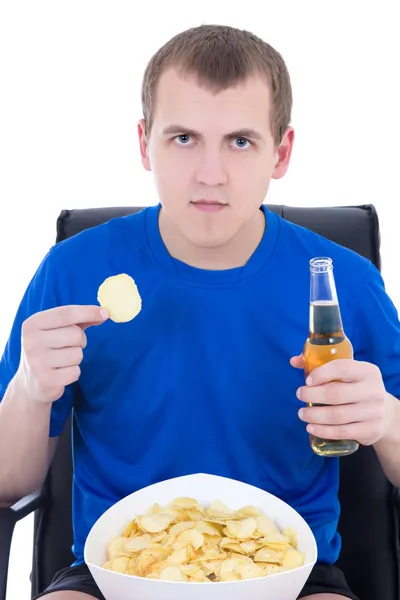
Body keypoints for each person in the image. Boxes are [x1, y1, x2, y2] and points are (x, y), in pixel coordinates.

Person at [1, 23, 400, 600]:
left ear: (281, 151)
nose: (210, 173)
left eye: (240, 141)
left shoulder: (343, 284)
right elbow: (10, 483)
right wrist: (30, 388)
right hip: (111, 572)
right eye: (183, 138)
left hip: (294, 574)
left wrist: (385, 418)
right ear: (144, 143)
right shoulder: (72, 270)